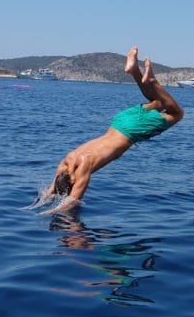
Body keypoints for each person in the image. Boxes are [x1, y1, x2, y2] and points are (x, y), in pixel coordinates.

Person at [44, 46, 183, 210]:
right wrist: (47, 199)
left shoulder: (83, 167)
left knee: (177, 113)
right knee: (159, 102)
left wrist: (51, 214)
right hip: (119, 122)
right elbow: (50, 191)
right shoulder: (65, 164)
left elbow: (72, 201)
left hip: (130, 131)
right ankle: (134, 71)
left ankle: (152, 81)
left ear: (72, 182)